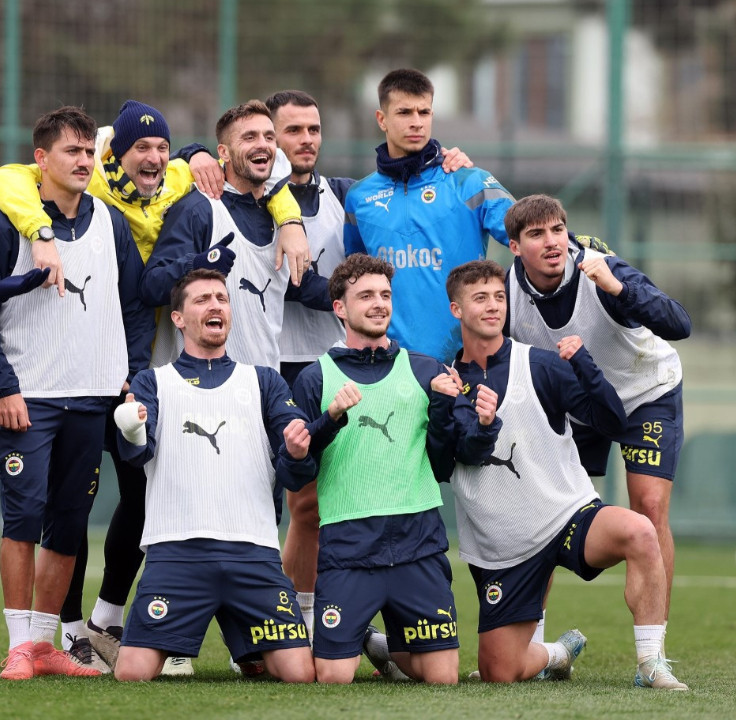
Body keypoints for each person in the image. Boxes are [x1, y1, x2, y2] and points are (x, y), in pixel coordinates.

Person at [0, 100, 310, 677]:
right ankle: (79, 631)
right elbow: (10, 178)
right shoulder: (103, 200)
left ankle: (246, 638)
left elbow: (232, 172)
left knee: (249, 502)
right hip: (131, 374)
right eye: (141, 147)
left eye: (162, 147)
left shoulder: (184, 182)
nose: (155, 157)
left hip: (195, 375)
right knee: (120, 503)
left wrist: (290, 220)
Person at [261, 90, 477, 635]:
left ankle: (345, 627)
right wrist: (197, 155)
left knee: (329, 503)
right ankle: (284, 629)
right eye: (291, 131)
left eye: (313, 129)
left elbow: (373, 253)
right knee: (280, 509)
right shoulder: (247, 198)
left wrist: (452, 165)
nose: (305, 140)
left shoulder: (345, 195)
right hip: (271, 366)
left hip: (340, 362)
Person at [0, 106, 154, 679]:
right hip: (31, 397)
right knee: (24, 520)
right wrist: (1, 388)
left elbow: (135, 304)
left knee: (70, 523)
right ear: (40, 159)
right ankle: (19, 644)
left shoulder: (110, 222)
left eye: (87, 151)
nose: (83, 161)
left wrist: (131, 368)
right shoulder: (4, 224)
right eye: (70, 152)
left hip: (95, 397)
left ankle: (46, 645)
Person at [444, 259, 687, 690]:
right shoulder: (444, 383)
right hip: (505, 546)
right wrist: (474, 424)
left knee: (641, 531)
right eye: (480, 298)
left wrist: (585, 363)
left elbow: (612, 422)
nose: (494, 306)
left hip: (568, 517)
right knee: (500, 673)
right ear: (456, 310)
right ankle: (558, 652)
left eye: (499, 297)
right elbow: (444, 463)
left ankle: (651, 662)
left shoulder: (539, 363)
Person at [289, 254, 500, 685]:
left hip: (417, 543)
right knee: (332, 678)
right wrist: (326, 421)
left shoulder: (425, 370)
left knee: (443, 678)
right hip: (348, 547)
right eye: (365, 295)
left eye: (385, 295)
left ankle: (381, 645)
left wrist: (475, 421)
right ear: (340, 308)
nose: (379, 303)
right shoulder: (315, 378)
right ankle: (363, 637)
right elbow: (295, 475)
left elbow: (446, 463)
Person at [108, 269, 319, 683]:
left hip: (253, 553)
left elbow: (297, 470)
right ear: (179, 318)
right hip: (176, 551)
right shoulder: (153, 382)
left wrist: (297, 451)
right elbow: (136, 454)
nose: (215, 305)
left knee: (298, 674)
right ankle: (245, 649)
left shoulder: (265, 382)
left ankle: (249, 647)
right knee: (132, 673)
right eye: (202, 299)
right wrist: (132, 425)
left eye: (221, 298)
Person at [503, 194, 691, 653]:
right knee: (540, 513)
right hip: (578, 404)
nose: (552, 242)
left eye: (558, 230)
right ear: (513, 247)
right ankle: (531, 649)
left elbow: (679, 322)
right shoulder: (503, 292)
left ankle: (653, 654)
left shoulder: (601, 268)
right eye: (536, 234)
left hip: (646, 392)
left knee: (649, 506)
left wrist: (617, 288)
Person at [142, 100, 334, 371]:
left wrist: (351, 294)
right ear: (224, 152)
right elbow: (150, 286)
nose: (262, 144)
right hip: (195, 390)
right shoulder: (200, 208)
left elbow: (294, 284)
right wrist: (197, 265)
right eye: (249, 137)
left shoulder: (278, 215)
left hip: (260, 385)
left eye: (269, 137)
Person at [343, 68, 515, 363]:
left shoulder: (468, 181)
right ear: (381, 119)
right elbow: (356, 281)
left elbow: (530, 234)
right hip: (390, 368)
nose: (416, 122)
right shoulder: (359, 199)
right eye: (405, 112)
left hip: (465, 364)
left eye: (424, 112)